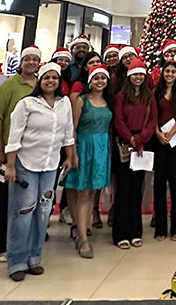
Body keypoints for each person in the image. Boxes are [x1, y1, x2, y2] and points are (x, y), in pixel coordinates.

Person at [4, 62, 75, 281]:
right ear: (40, 80)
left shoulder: (65, 103)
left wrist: (70, 156)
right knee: (23, 212)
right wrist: (10, 165)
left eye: (54, 77)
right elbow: (14, 137)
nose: (50, 81)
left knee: (43, 212)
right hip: (26, 163)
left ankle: (34, 257)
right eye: (46, 77)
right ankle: (17, 261)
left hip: (50, 165)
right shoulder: (27, 104)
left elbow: (68, 133)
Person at [0, 45, 41, 261]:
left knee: (20, 200)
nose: (31, 63)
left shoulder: (39, 84)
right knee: (2, 199)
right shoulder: (10, 85)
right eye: (27, 59)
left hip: (26, 153)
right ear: (21, 62)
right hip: (5, 150)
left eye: (35, 59)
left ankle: (15, 243)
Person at [63, 65, 113, 258]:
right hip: (84, 147)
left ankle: (82, 227)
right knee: (83, 193)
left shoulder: (108, 101)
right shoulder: (81, 100)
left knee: (92, 193)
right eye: (96, 78)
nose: (100, 81)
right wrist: (72, 153)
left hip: (101, 149)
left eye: (103, 78)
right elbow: (72, 129)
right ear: (90, 81)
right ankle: (83, 237)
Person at [113, 57, 158, 248]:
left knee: (136, 189)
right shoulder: (121, 96)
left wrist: (141, 139)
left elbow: (153, 120)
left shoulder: (149, 97)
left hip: (142, 145)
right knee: (123, 189)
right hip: (125, 144)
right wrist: (130, 138)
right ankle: (120, 233)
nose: (138, 77)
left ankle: (135, 231)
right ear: (129, 76)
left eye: (141, 74)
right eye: (135, 74)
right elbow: (118, 120)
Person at [153, 60, 176, 241]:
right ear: (163, 73)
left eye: (173, 72)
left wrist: (172, 132)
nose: (170, 74)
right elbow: (151, 114)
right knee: (159, 181)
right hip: (159, 140)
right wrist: (158, 133)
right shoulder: (156, 91)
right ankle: (160, 227)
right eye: (167, 71)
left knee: (175, 180)